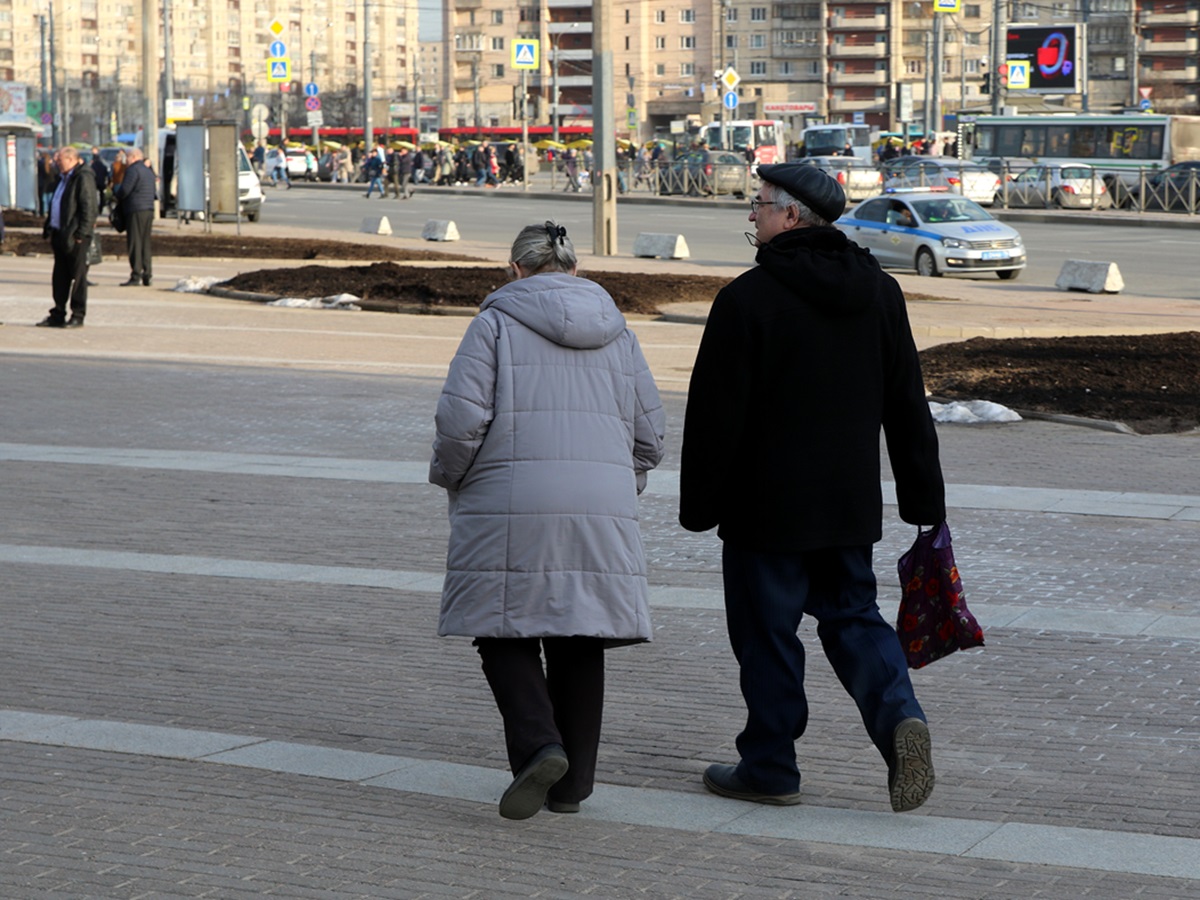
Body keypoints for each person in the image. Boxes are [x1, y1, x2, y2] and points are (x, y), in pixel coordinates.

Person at [679, 163, 946, 814]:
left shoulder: (747, 300)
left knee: (769, 632)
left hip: (763, 511)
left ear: (792, 216)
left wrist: (699, 507)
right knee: (854, 617)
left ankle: (769, 764)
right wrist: (923, 503)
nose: (752, 216)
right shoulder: (880, 294)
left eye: (760, 205)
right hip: (847, 505)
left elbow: (715, 416)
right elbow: (907, 403)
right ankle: (898, 718)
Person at [429, 221, 666, 821]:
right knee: (581, 635)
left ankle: (540, 745)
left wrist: (451, 477)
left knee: (500, 627)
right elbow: (651, 435)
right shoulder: (619, 331)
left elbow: (461, 423)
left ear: (516, 270)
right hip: (599, 503)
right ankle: (572, 786)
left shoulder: (495, 323)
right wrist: (621, 477)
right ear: (573, 269)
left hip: (509, 498)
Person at [37, 146, 97, 329]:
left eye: (60, 160)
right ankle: (58, 313)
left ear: (71, 160)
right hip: (60, 234)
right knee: (60, 277)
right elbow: (57, 203)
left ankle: (78, 314)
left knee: (78, 278)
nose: (56, 162)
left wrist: (82, 234)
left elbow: (89, 208)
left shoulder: (82, 178)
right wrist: (49, 226)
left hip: (75, 237)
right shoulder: (63, 178)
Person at [113, 146, 157, 286]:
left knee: (134, 243)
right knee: (145, 243)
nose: (126, 161)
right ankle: (147, 274)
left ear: (133, 157)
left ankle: (135, 275)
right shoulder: (148, 171)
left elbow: (125, 189)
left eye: (128, 157)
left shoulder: (133, 170)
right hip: (148, 209)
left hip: (135, 209)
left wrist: (116, 195)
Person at [90, 147, 109, 212]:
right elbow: (106, 173)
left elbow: (91, 173)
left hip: (94, 181)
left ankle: (95, 207)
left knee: (94, 195)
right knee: (101, 195)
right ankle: (101, 207)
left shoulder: (93, 165)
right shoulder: (103, 165)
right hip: (101, 182)